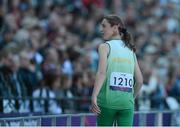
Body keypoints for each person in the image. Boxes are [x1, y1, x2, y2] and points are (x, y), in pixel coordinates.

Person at [91, 15, 143, 126]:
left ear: (115, 28)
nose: (101, 30)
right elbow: (139, 81)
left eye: (104, 26)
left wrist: (94, 96)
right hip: (127, 103)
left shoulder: (104, 47)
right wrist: (131, 98)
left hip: (107, 102)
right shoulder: (130, 49)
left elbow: (101, 73)